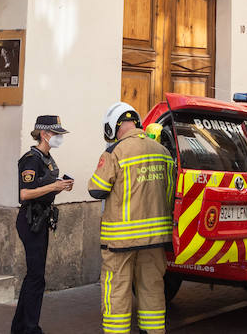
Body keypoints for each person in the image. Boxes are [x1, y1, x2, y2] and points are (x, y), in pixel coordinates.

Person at [88, 102, 174, 334]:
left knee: (116, 289)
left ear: (114, 126)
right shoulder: (163, 152)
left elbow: (96, 189)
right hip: (156, 238)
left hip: (121, 240)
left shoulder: (115, 152)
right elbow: (170, 192)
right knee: (152, 288)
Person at [12, 115, 73, 334]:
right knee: (36, 277)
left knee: (34, 276)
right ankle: (30, 329)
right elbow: (25, 193)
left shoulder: (48, 158)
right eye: (56, 134)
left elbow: (45, 185)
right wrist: (53, 186)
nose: (59, 138)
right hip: (30, 220)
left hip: (41, 219)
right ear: (44, 134)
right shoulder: (31, 159)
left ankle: (20, 327)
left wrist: (61, 186)